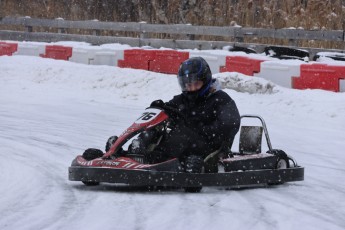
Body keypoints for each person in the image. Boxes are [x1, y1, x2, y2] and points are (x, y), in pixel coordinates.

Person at [108, 57, 240, 173]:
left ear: (205, 80)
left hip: (208, 145)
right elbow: (168, 110)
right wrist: (159, 108)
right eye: (188, 84)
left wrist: (199, 128)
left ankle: (153, 160)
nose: (191, 88)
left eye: (196, 84)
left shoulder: (220, 99)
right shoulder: (183, 99)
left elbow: (230, 124)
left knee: (181, 134)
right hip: (183, 142)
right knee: (155, 128)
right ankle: (132, 152)